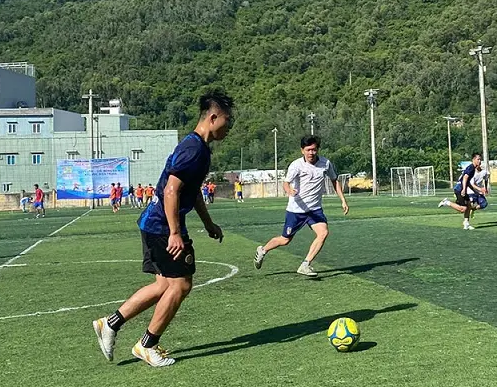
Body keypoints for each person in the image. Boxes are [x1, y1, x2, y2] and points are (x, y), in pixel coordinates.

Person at [92, 91, 233, 367]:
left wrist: (208, 223)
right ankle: (147, 345)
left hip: (155, 223)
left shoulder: (200, 149)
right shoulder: (193, 149)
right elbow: (171, 190)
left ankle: (110, 324)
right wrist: (175, 232)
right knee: (181, 284)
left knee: (163, 285)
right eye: (228, 121)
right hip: (162, 226)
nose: (229, 128)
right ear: (213, 117)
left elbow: (192, 192)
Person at [253, 135, 349, 277]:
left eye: (314, 149)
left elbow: (334, 180)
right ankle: (262, 250)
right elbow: (286, 183)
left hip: (314, 210)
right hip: (296, 210)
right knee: (285, 240)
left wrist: (343, 200)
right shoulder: (296, 165)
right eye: (308, 150)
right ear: (302, 150)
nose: (311, 153)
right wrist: (289, 191)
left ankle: (305, 264)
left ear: (318, 150)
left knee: (323, 233)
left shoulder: (325, 163)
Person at [438, 153, 485, 230]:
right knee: (463, 209)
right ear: (473, 159)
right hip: (459, 189)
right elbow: (465, 178)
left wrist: (475, 190)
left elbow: (468, 182)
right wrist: (463, 189)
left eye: (480, 159)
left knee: (469, 205)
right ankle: (446, 202)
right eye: (478, 159)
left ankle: (466, 224)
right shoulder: (471, 167)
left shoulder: (473, 168)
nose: (480, 161)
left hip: (462, 188)